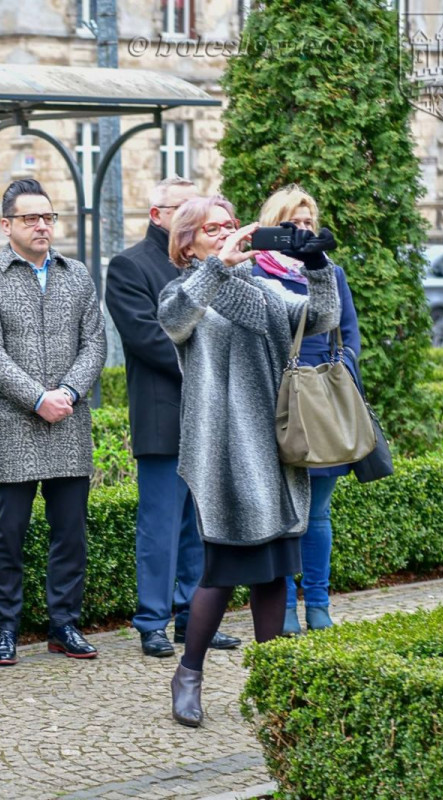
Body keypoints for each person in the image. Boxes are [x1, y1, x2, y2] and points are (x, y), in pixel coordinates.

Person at [156, 195, 339, 727]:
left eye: (231, 226)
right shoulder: (184, 288)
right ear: (186, 241)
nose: (225, 233)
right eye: (212, 229)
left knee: (273, 572)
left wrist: (318, 266)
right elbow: (173, 322)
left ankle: (273, 683)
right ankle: (188, 673)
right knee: (223, 569)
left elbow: (321, 319)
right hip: (221, 449)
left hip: (275, 444)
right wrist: (220, 263)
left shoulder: (263, 289)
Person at [0, 179, 107, 666]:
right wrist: (37, 398)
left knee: (70, 532)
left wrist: (66, 393)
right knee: (8, 533)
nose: (42, 226)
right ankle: (5, 628)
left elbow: (95, 342)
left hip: (69, 421)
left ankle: (64, 624)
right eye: (31, 218)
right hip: (14, 424)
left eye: (47, 217)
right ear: (7, 226)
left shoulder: (78, 275)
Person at [106, 176, 241, 659]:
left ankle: (193, 618)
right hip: (165, 415)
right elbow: (146, 337)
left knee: (202, 527)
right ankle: (151, 621)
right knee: (160, 525)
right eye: (181, 208)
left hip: (212, 416)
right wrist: (211, 366)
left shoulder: (212, 265)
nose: (192, 216)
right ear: (156, 215)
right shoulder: (129, 266)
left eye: (197, 208)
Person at [252, 185, 361, 635]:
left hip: (321, 406)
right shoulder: (257, 273)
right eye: (291, 223)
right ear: (273, 226)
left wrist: (340, 374)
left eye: (307, 223)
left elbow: (349, 332)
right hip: (275, 405)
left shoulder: (328, 271)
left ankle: (317, 602)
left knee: (316, 515)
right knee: (281, 518)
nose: (301, 231)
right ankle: (285, 610)